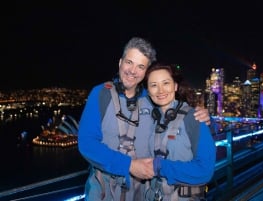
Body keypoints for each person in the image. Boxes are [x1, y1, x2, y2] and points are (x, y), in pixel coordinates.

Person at [78, 37, 212, 201]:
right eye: (129, 62)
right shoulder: (101, 94)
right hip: (104, 192)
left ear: (145, 72)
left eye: (140, 66)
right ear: (120, 62)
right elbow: (86, 143)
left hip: (142, 193)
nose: (132, 71)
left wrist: (204, 117)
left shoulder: (152, 99)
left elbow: (180, 121)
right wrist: (128, 165)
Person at [144, 63, 216, 201]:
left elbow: (205, 171)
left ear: (175, 86)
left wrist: (159, 166)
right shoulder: (150, 119)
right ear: (148, 91)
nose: (160, 90)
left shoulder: (194, 118)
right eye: (153, 85)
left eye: (166, 83)